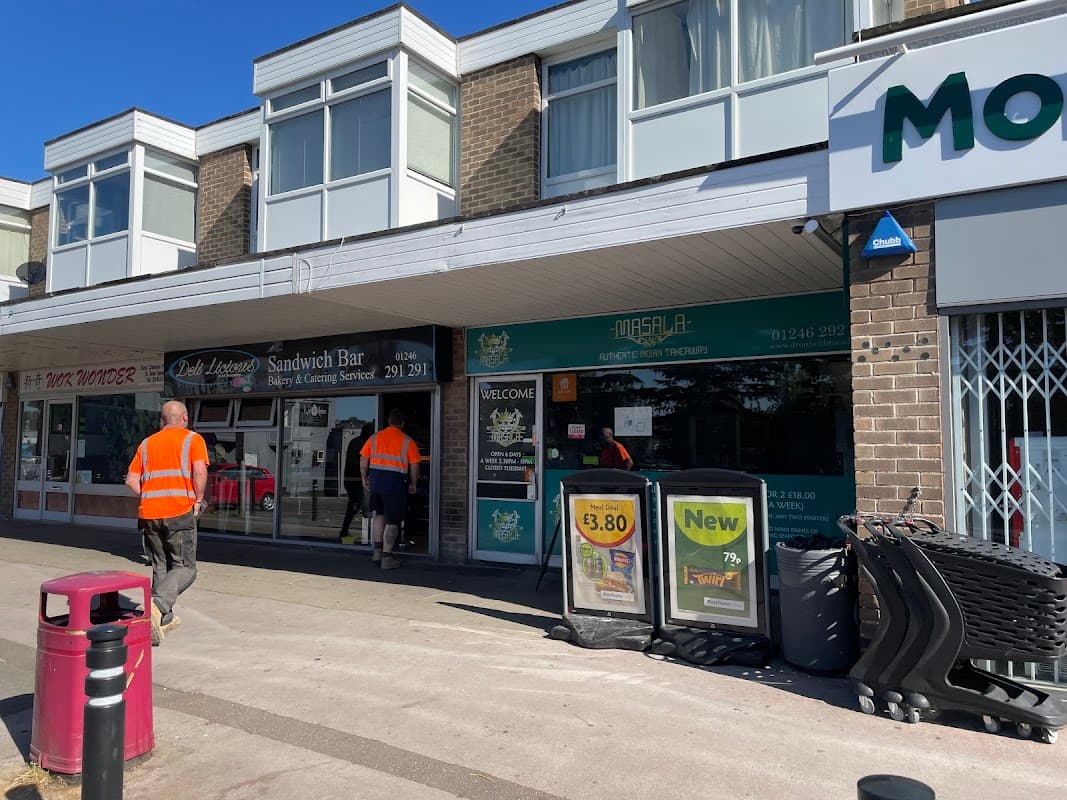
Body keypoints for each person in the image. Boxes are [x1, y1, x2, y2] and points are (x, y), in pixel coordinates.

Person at [125, 400, 208, 646]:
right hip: (179, 511)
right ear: (184, 417)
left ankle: (160, 621)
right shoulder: (192, 439)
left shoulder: (147, 444)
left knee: (161, 566)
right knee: (186, 568)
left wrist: (151, 496)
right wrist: (198, 499)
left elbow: (131, 480)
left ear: (162, 420)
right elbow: (200, 472)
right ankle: (157, 606)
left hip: (149, 513)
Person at [360, 409, 420, 570]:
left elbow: (363, 460)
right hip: (394, 483)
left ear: (388, 421)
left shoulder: (374, 438)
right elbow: (414, 466)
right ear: (402, 424)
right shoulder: (408, 442)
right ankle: (387, 557)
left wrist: (364, 478)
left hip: (376, 482)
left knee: (379, 515)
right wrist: (413, 483)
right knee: (393, 521)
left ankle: (377, 552)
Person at [339, 423, 374, 542]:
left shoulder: (354, 442)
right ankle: (368, 538)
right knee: (366, 507)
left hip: (350, 479)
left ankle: (345, 533)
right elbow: (362, 464)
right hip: (358, 481)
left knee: (353, 507)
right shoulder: (364, 444)